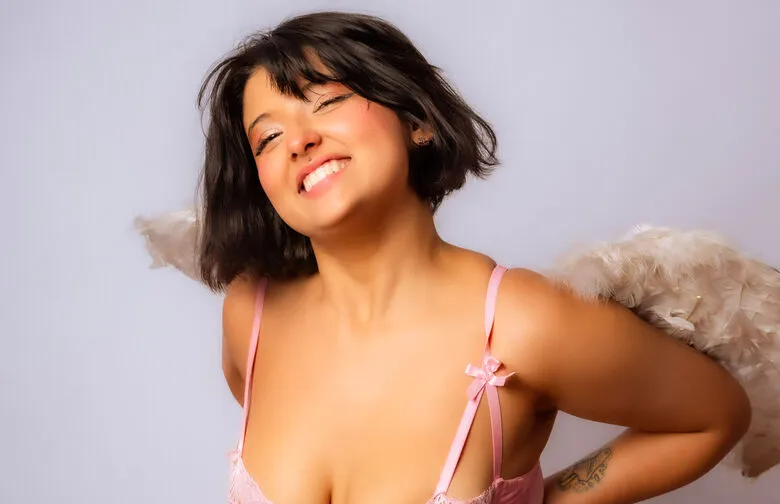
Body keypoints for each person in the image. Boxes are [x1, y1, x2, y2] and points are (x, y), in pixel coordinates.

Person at [190, 11, 750, 504]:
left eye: (328, 102)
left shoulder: (522, 324)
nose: (298, 141)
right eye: (267, 139)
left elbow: (712, 417)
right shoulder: (251, 316)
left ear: (416, 120)